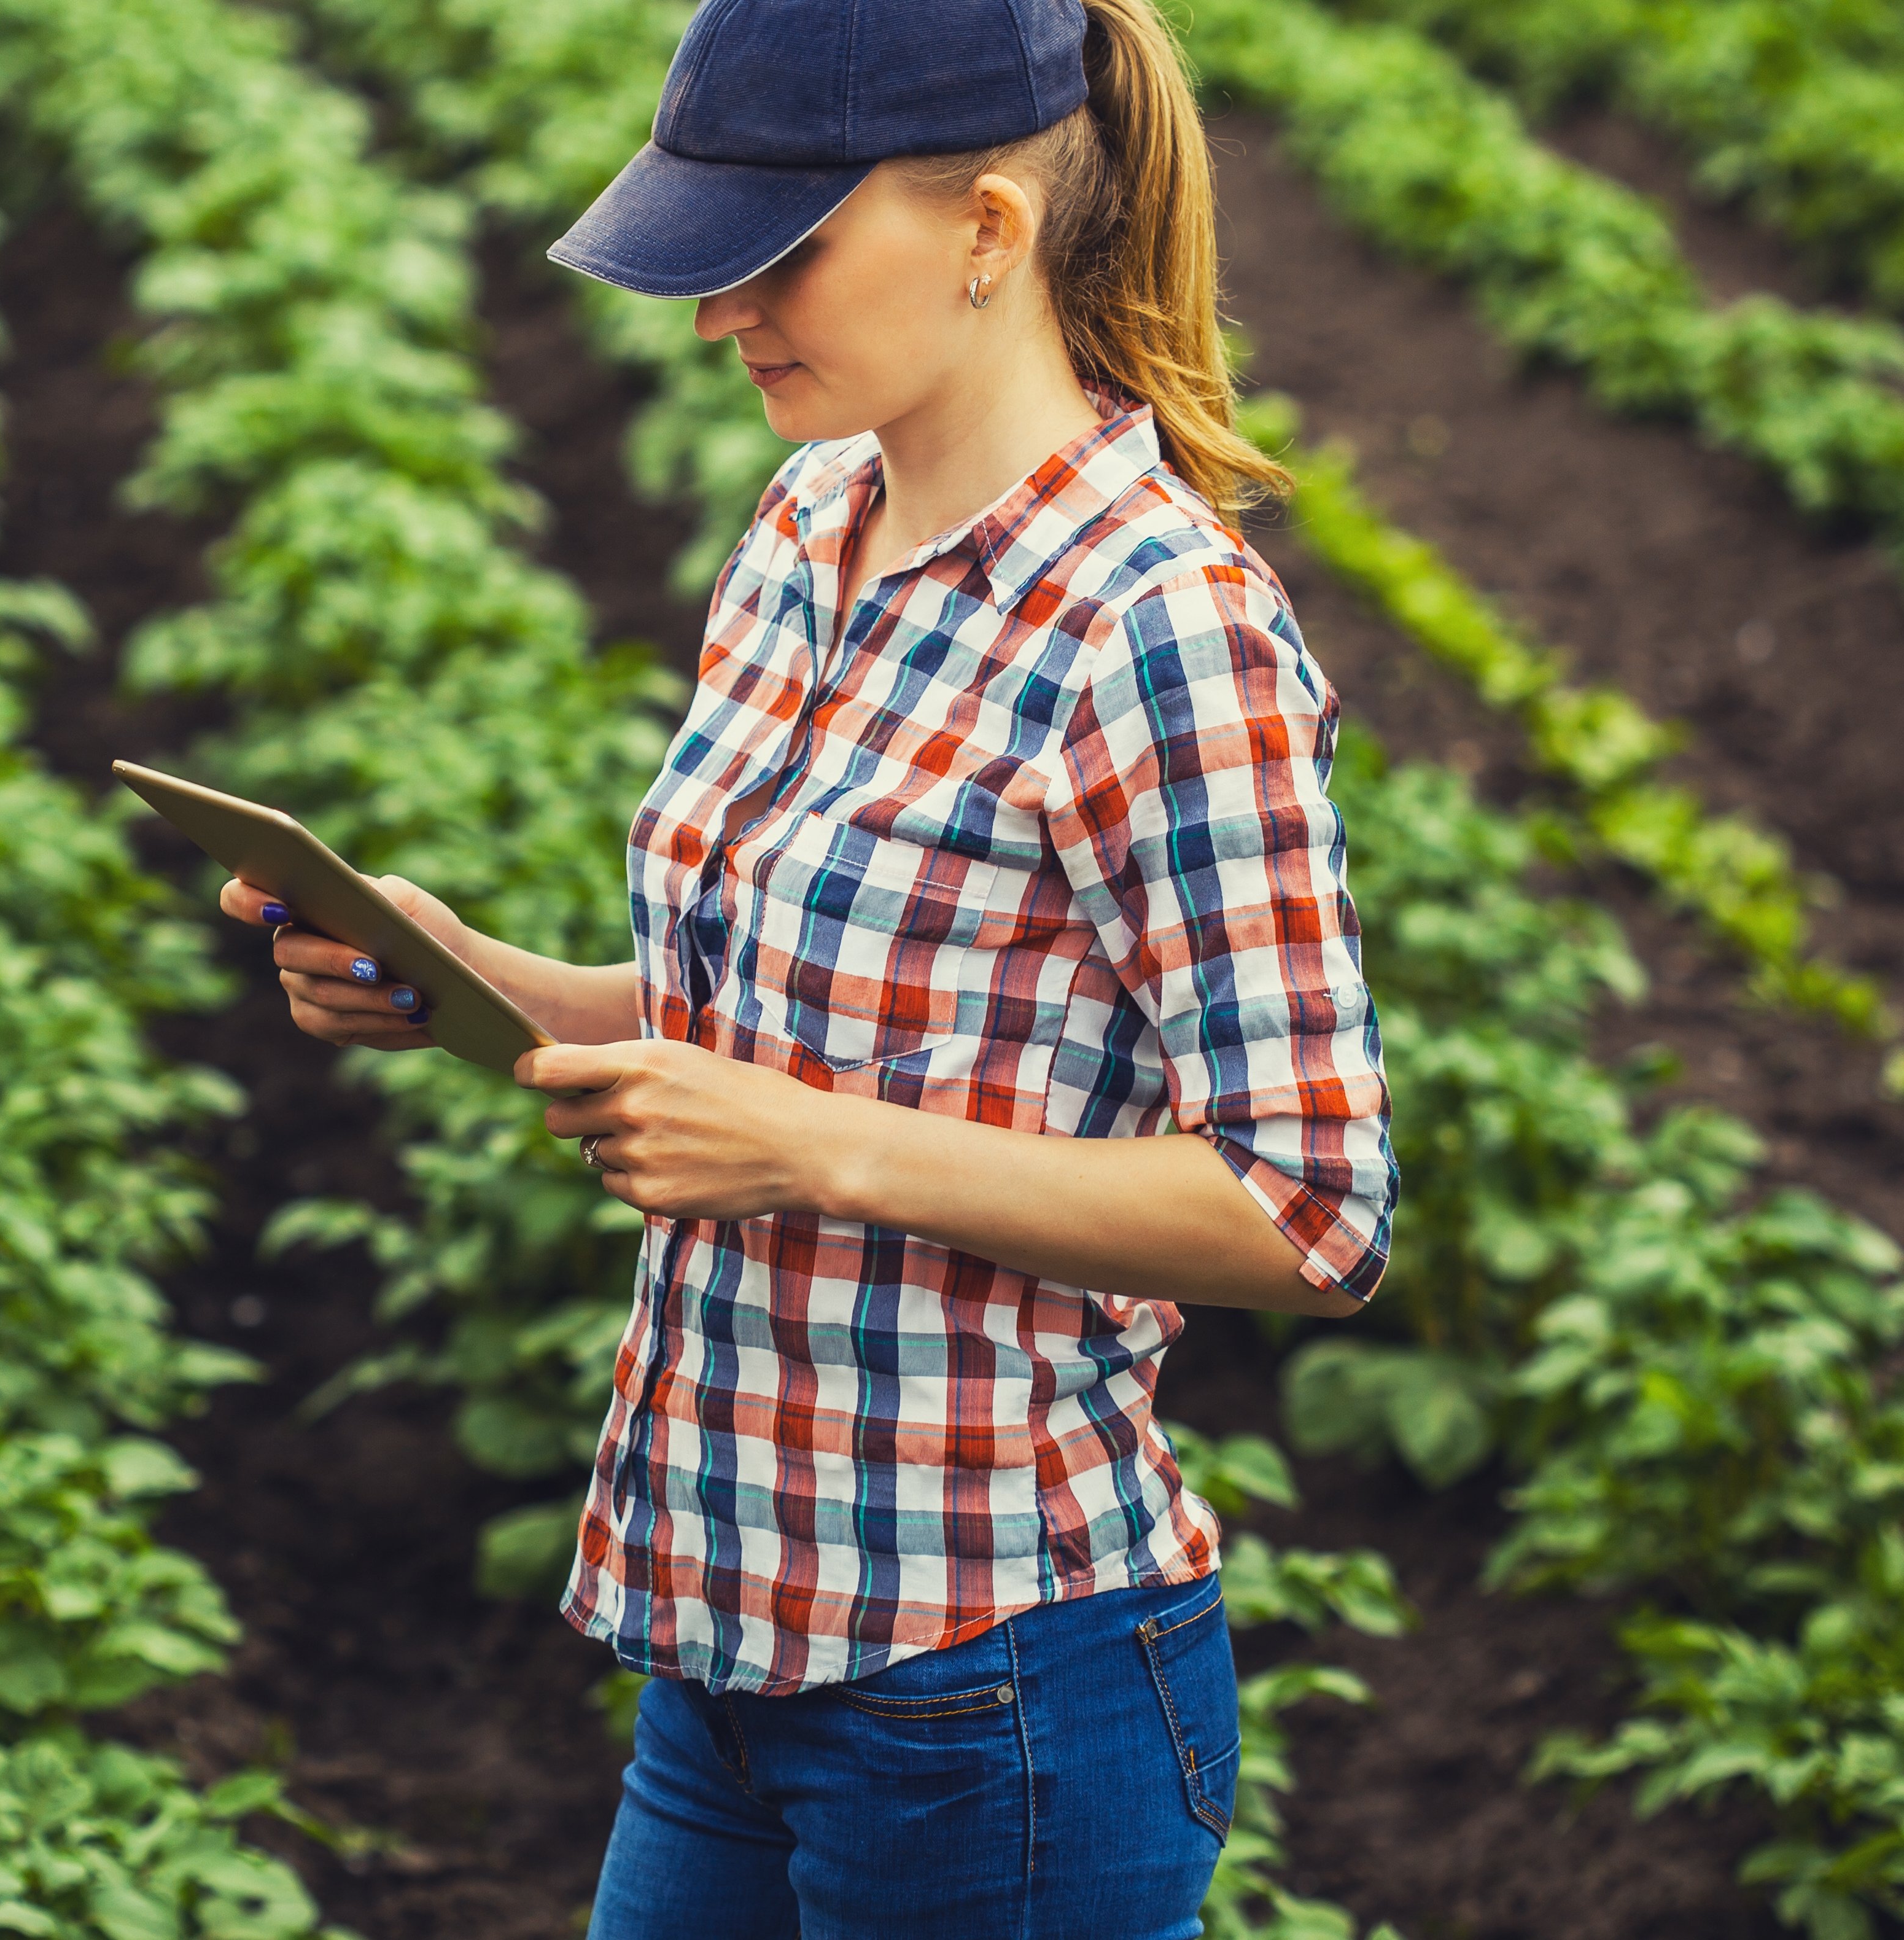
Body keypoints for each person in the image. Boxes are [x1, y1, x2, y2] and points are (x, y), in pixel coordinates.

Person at [217, 0, 1395, 1928]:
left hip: (990, 1679)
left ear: (991, 231)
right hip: (731, 1631)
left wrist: (811, 1147)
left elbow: (1311, 1208)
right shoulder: (803, 527)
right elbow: (765, 1014)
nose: (717, 314)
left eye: (780, 255)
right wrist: (460, 969)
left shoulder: (1161, 634)